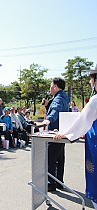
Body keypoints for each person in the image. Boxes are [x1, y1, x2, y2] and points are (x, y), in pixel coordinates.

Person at [54, 66, 97, 209]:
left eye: (91, 79)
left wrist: (65, 133)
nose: (90, 83)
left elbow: (82, 120)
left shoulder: (95, 99)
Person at [42, 77, 69, 192]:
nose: (50, 88)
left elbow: (56, 110)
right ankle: (59, 182)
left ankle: (51, 183)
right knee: (59, 158)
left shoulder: (58, 99)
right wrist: (48, 105)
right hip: (62, 131)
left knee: (50, 159)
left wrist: (48, 119)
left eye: (51, 85)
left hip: (55, 132)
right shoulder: (63, 97)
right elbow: (55, 108)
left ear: (55, 87)